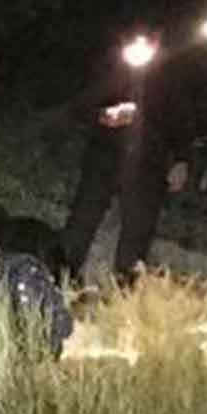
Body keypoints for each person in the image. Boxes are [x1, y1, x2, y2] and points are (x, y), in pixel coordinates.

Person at [59, 39, 192, 283]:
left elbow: (183, 121)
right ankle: (62, 278)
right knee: (82, 219)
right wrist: (102, 115)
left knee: (138, 231)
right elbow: (80, 106)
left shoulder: (171, 78)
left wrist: (182, 160)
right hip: (104, 157)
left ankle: (127, 293)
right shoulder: (109, 70)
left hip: (148, 163)